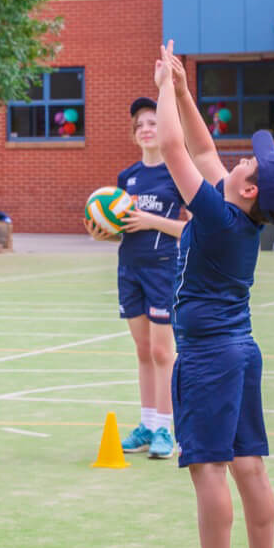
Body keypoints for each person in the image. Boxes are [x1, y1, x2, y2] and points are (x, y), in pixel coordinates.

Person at [150, 42, 274, 548]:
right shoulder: (238, 214)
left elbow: (174, 149)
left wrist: (162, 87)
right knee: (248, 463)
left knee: (207, 469)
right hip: (241, 351)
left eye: (252, 165)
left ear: (249, 191)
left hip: (208, 358)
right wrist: (184, 90)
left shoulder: (218, 218)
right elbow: (203, 149)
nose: (243, 159)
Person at [110, 95, 188, 460]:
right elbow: (120, 225)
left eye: (153, 123)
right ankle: (146, 424)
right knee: (143, 351)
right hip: (129, 268)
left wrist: (151, 221)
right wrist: (102, 229)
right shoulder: (127, 177)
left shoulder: (177, 175)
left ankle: (164, 429)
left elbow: (192, 230)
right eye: (139, 124)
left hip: (163, 269)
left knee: (161, 352)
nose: (145, 129)